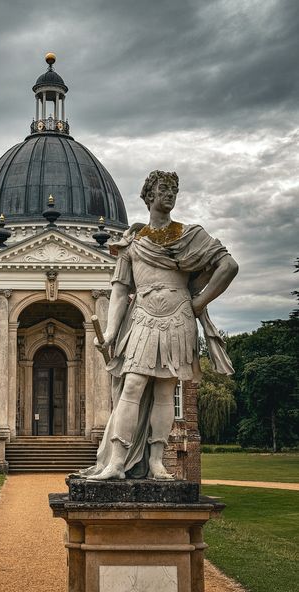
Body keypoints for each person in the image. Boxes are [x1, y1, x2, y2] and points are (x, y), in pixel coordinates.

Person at [86, 170, 238, 481]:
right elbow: (119, 290)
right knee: (132, 386)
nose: (169, 194)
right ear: (149, 196)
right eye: (163, 189)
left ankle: (156, 461)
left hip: (178, 319)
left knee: (166, 391)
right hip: (142, 316)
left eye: (173, 190)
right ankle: (117, 462)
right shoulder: (132, 242)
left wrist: (199, 303)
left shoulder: (189, 235)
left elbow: (229, 266)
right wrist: (112, 331)